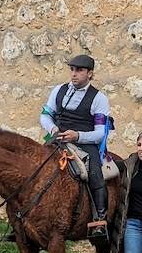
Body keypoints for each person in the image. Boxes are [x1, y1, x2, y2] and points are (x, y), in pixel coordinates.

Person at [39, 54, 113, 242]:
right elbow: (45, 115)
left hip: (85, 144)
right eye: (72, 70)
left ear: (90, 73)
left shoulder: (99, 98)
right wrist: (53, 128)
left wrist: (77, 135)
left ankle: (99, 220)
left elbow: (100, 134)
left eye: (79, 70)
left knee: (96, 174)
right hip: (58, 139)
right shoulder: (58, 90)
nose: (74, 74)